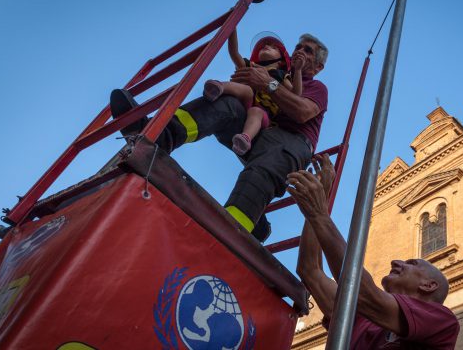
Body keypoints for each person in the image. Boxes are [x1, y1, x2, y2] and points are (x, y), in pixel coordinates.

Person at [109, 34, 329, 242]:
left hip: (291, 141)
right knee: (229, 105)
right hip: (258, 131)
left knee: (267, 165)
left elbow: (302, 112)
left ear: (318, 66)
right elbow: (239, 62)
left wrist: (267, 84)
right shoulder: (278, 73)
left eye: (307, 50)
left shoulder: (316, 88)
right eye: (298, 47)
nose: (299, 51)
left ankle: (235, 226)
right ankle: (160, 135)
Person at [288, 154, 460, 349]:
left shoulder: (442, 321)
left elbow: (364, 295)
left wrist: (319, 213)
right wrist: (319, 203)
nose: (396, 261)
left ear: (429, 285)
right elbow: (310, 271)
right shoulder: (361, 316)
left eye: (411, 263)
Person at [202, 29, 304, 155]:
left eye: (273, 48)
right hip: (246, 102)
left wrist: (298, 70)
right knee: (247, 90)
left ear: (281, 61)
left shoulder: (280, 75)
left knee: (256, 112)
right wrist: (232, 29)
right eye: (263, 47)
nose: (266, 46)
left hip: (264, 114)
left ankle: (245, 138)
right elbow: (234, 53)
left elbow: (296, 94)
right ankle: (218, 88)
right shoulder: (252, 66)